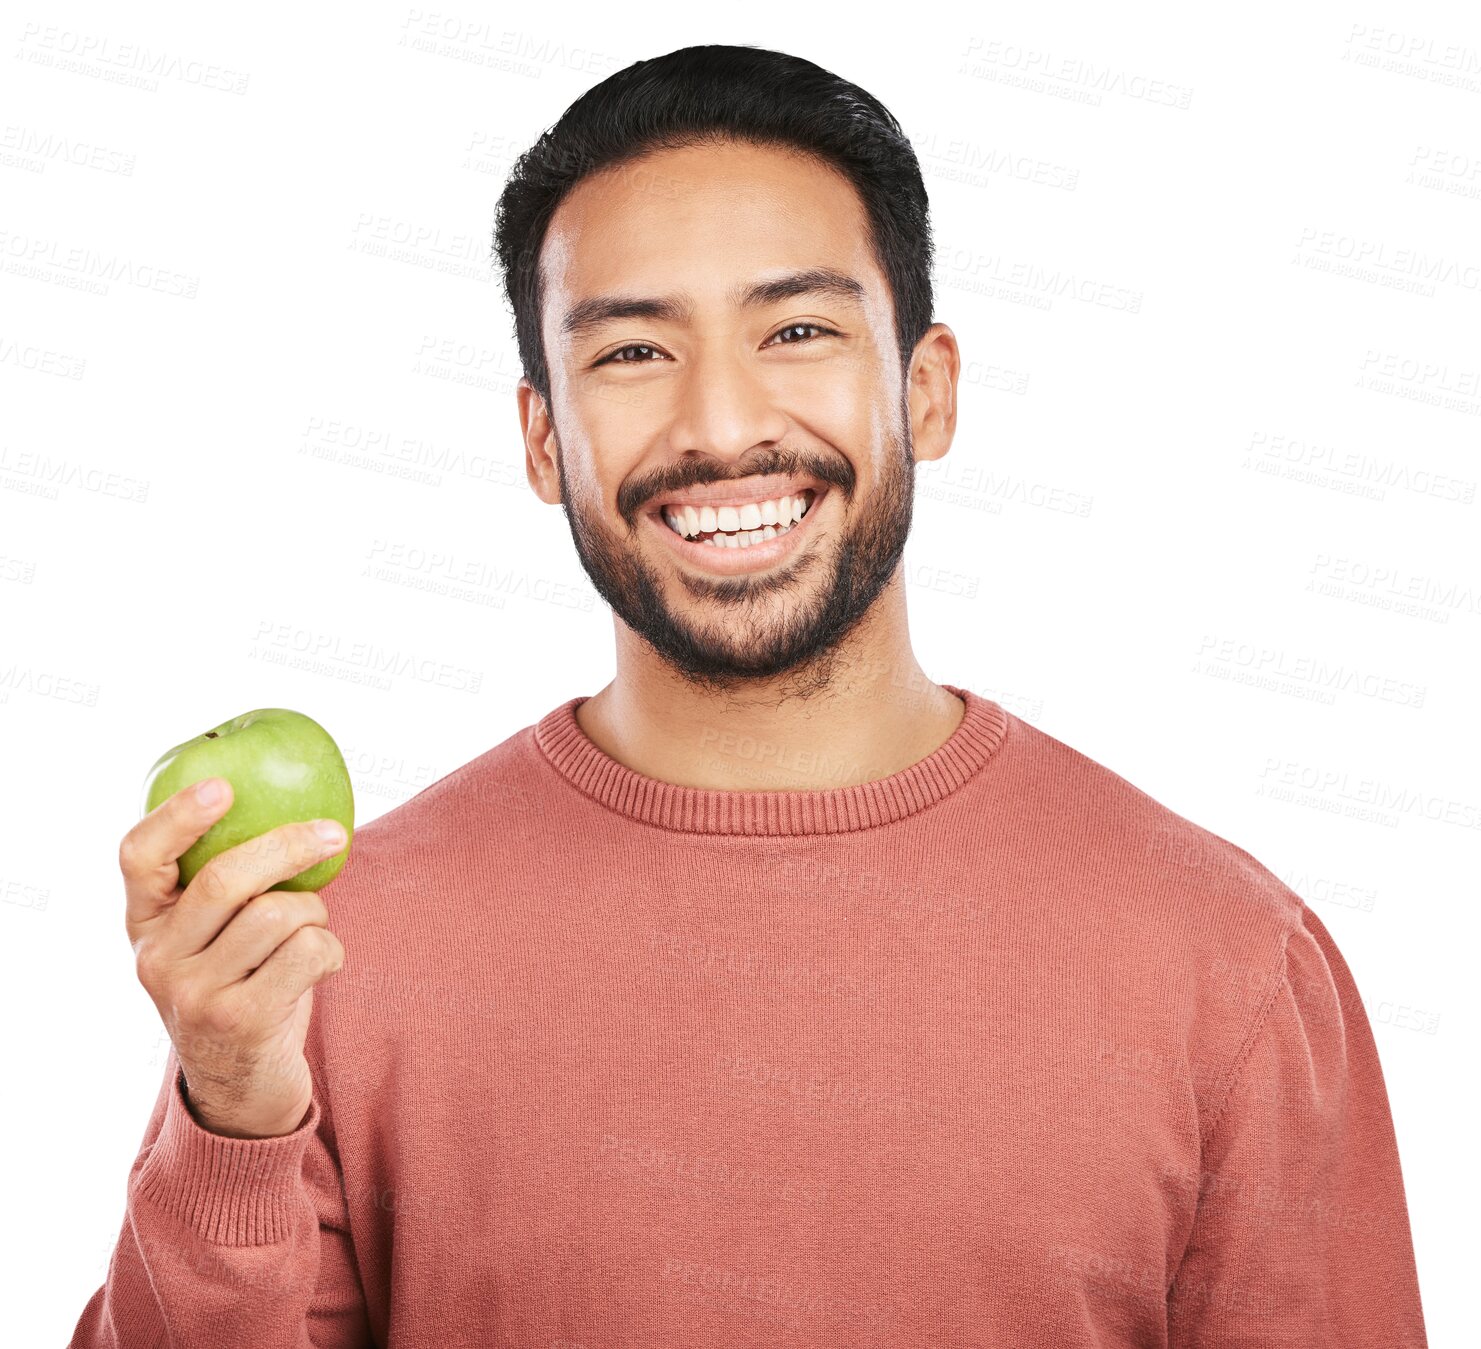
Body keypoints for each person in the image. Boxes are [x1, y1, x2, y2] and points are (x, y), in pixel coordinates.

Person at [71, 43, 1428, 1347]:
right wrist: (233, 1119)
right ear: (545, 439)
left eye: (793, 327)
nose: (721, 425)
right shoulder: (332, 956)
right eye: (631, 353)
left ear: (928, 389)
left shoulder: (1227, 962)